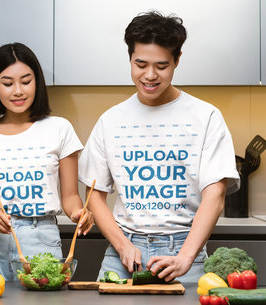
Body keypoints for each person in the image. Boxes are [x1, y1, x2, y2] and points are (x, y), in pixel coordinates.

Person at [78, 11, 240, 283]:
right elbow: (94, 195)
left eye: (161, 66)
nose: (150, 75)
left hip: (186, 254)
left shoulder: (206, 117)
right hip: (123, 255)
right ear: (129, 58)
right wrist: (122, 245)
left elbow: (215, 195)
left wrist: (186, 256)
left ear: (177, 60)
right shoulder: (111, 121)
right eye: (140, 64)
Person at [0, 42, 93, 281]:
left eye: (26, 81)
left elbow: (70, 196)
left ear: (37, 82)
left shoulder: (60, 128)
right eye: (7, 83)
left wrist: (79, 212)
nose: (18, 91)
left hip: (41, 239)